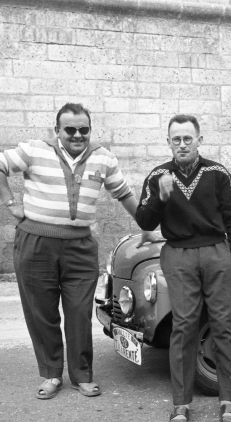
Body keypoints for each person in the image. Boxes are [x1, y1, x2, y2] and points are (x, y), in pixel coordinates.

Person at [0, 103, 139, 399]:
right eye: (70, 130)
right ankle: (51, 374)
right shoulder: (34, 150)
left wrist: (149, 227)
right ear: (57, 130)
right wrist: (11, 203)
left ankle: (82, 375)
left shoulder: (103, 157)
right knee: (42, 313)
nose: (77, 135)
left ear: (90, 130)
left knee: (78, 313)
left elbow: (124, 193)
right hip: (36, 245)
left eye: (83, 129)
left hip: (80, 248)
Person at [136, 114, 231, 422]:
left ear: (199, 140)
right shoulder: (158, 176)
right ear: (168, 142)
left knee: (225, 324)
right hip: (179, 254)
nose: (182, 144)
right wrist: (161, 197)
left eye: (187, 138)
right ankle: (181, 405)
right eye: (176, 139)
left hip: (216, 252)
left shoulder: (217, 173)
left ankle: (229, 401)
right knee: (184, 326)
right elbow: (145, 221)